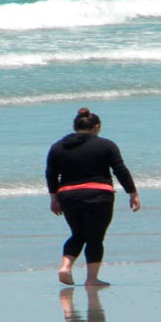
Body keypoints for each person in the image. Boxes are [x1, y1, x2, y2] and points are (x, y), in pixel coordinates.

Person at [45, 107, 140, 286]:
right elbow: (120, 170)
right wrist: (132, 193)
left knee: (78, 234)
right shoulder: (106, 145)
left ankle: (65, 266)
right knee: (95, 237)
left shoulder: (57, 147)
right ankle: (91, 279)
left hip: (68, 196)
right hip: (99, 195)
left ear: (75, 126)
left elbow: (51, 175)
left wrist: (54, 198)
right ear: (96, 127)